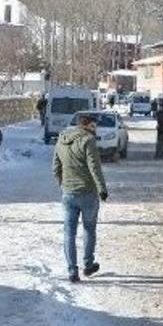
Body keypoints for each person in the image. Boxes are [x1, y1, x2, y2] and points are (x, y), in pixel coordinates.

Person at [52, 113, 108, 283]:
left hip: (68, 193)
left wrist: (63, 185)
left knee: (69, 232)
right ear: (87, 125)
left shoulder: (61, 139)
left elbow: (55, 167)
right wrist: (102, 189)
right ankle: (88, 265)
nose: (95, 128)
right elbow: (94, 167)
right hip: (88, 193)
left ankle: (72, 271)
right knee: (89, 229)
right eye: (94, 125)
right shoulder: (88, 140)